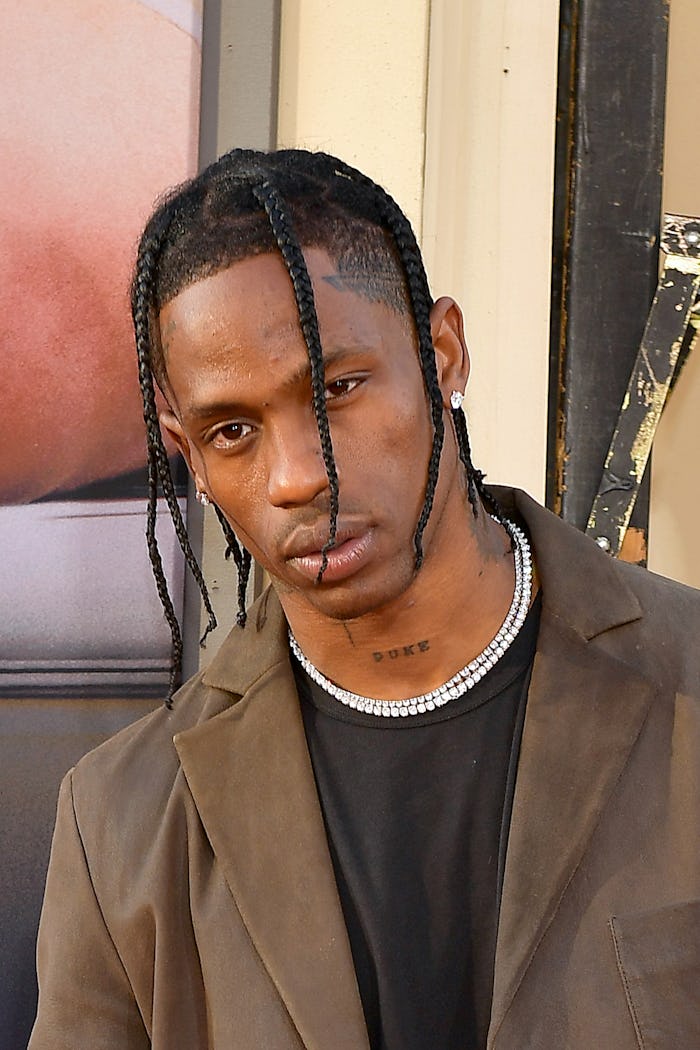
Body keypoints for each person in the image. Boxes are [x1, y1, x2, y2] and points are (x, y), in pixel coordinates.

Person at [30, 149, 700, 1049]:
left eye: (337, 389)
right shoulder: (123, 821)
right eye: (233, 430)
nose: (297, 477)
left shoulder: (685, 677)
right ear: (189, 454)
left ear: (442, 355)